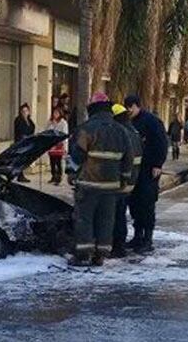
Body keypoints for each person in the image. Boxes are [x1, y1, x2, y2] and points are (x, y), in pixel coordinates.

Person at [68, 92, 132, 267]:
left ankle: (83, 255)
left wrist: (71, 173)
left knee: (85, 219)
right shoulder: (121, 130)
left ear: (92, 109)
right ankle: (100, 256)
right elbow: (128, 158)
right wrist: (124, 180)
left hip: (88, 184)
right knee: (106, 220)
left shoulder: (86, 129)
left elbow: (77, 156)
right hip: (111, 187)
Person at [123, 94, 168, 254]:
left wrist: (158, 164)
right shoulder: (129, 122)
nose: (129, 111)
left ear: (137, 106)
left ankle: (147, 238)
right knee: (134, 204)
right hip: (134, 171)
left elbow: (161, 143)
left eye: (131, 108)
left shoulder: (151, 121)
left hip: (149, 169)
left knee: (146, 204)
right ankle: (137, 236)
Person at [110, 103, 144, 258]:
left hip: (121, 179)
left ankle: (117, 247)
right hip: (132, 179)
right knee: (121, 213)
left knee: (116, 215)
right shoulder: (133, 130)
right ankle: (120, 244)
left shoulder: (120, 132)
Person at [13, 103, 36, 183]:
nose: (24, 112)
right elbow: (18, 131)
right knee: (20, 159)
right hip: (21, 143)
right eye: (23, 111)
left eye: (26, 111)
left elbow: (32, 129)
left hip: (28, 143)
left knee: (24, 159)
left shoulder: (29, 120)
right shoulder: (18, 120)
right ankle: (20, 175)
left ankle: (20, 174)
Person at [46, 107, 68, 185]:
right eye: (54, 113)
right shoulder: (50, 122)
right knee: (52, 161)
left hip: (59, 144)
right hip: (51, 144)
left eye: (57, 113)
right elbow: (47, 131)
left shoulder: (63, 122)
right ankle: (53, 176)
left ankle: (59, 176)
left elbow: (65, 134)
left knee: (58, 161)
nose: (55, 115)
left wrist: (64, 146)